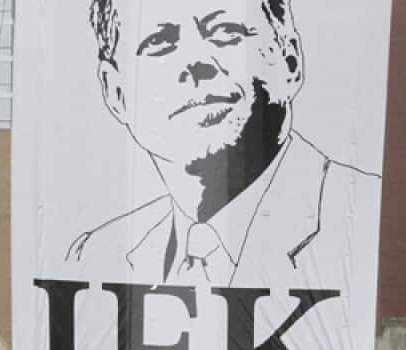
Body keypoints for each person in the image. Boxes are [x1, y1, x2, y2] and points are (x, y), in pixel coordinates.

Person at [73, 0, 381, 292]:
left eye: (226, 32)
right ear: (115, 93)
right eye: (158, 42)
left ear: (290, 61)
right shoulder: (94, 255)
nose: (196, 64)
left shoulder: (371, 219)